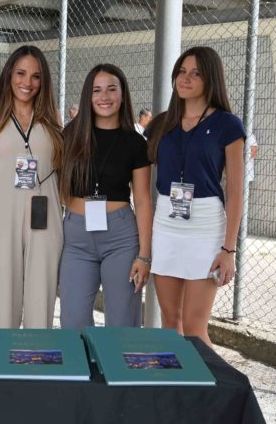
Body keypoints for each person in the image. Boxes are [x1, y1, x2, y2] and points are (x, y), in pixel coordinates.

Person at [147, 46, 245, 347]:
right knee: (170, 323)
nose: (185, 78)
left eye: (196, 73)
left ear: (210, 78)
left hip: (205, 226)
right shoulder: (161, 123)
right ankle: (174, 378)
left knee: (194, 328)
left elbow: (235, 191)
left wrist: (228, 250)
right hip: (166, 224)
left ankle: (207, 379)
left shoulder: (228, 125)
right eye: (181, 71)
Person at [58, 64, 153, 329]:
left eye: (112, 89)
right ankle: (82, 359)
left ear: (123, 94)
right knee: (73, 321)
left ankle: (118, 360)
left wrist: (144, 255)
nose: (104, 97)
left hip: (120, 237)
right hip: (76, 237)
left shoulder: (135, 142)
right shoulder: (70, 135)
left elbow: (143, 200)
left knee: (122, 323)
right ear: (87, 96)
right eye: (97, 90)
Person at [0, 45, 64, 329]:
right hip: (3, 214)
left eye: (35, 76)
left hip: (44, 214)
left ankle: (36, 353)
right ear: (9, 75)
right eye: (20, 73)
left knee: (41, 295)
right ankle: (3, 353)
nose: (27, 82)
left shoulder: (53, 121)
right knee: (3, 294)